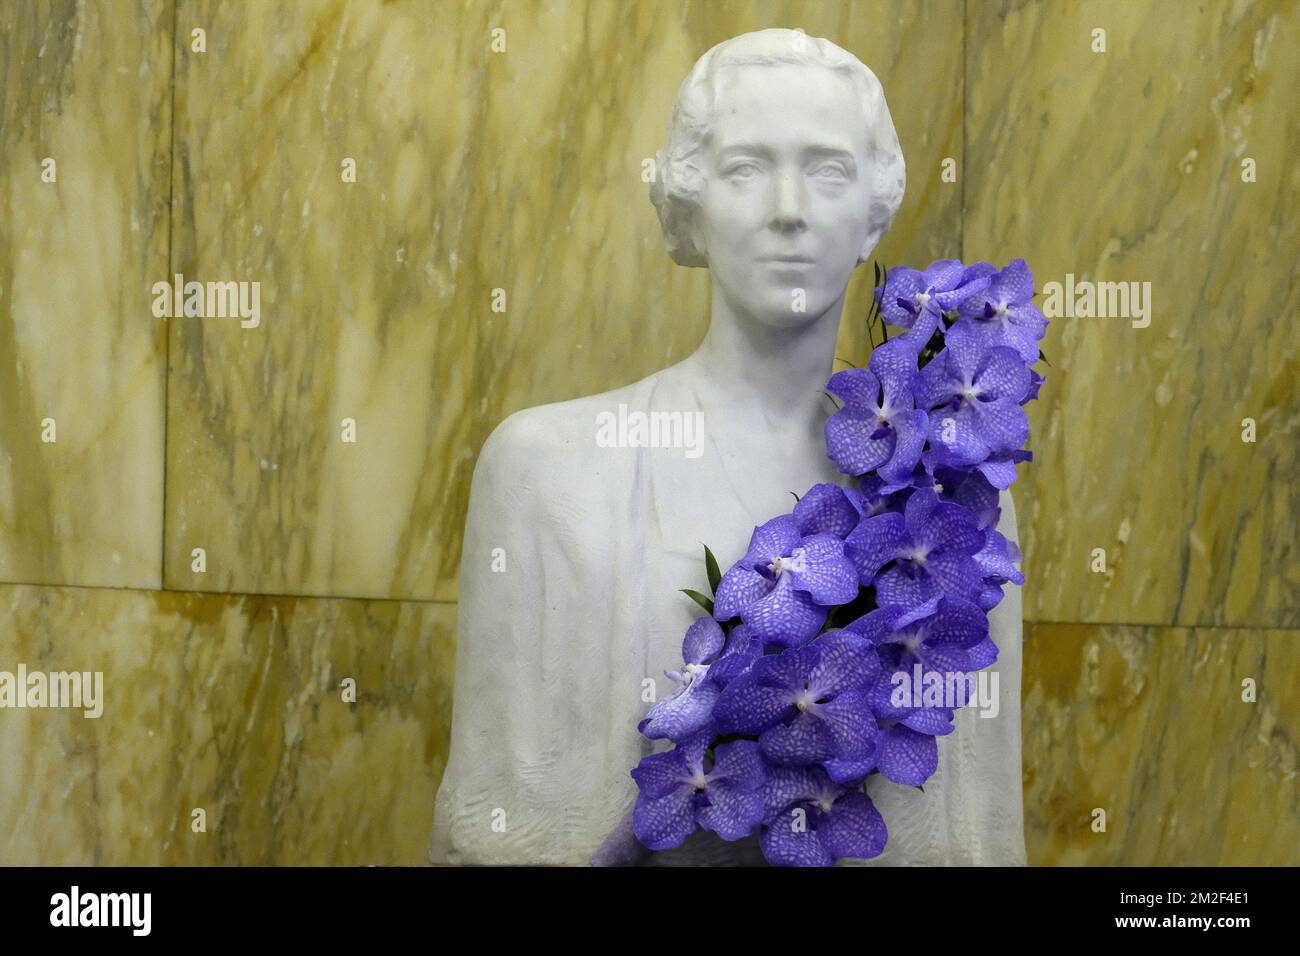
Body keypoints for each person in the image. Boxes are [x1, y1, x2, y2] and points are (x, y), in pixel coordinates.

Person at [429, 27, 1026, 866]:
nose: (790, 208)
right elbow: (492, 831)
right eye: (746, 168)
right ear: (690, 209)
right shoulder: (547, 471)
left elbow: (976, 833)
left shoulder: (951, 494)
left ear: (871, 216)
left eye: (827, 170)